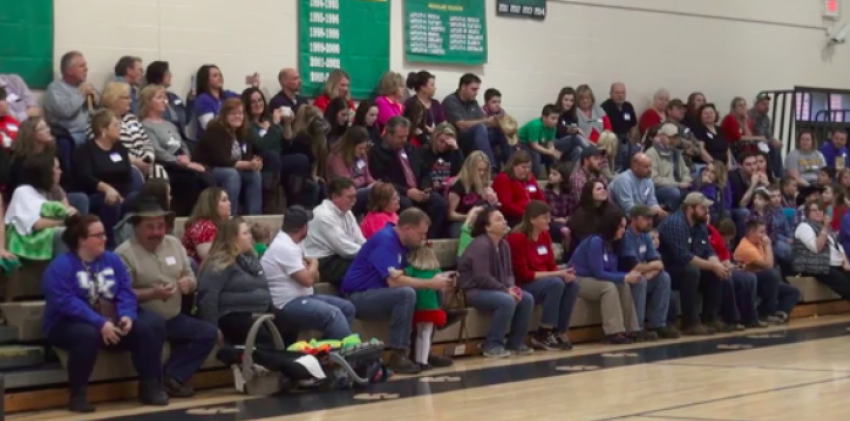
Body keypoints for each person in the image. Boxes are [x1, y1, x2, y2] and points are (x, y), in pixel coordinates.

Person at [43, 214, 168, 412]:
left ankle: (150, 386)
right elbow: (67, 303)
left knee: (151, 324)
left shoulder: (112, 260)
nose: (105, 239)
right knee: (86, 334)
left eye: (104, 234)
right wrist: (100, 323)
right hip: (67, 324)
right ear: (82, 240)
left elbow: (125, 291)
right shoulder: (60, 267)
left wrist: (127, 315)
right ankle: (78, 394)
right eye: (98, 235)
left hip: (110, 319)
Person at [115, 199, 218, 398]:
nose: (157, 232)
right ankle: (152, 386)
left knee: (208, 333)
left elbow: (190, 275)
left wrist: (189, 283)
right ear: (136, 227)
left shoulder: (174, 244)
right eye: (150, 227)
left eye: (161, 226)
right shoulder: (123, 254)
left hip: (172, 317)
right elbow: (121, 295)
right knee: (150, 329)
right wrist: (152, 293)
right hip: (142, 319)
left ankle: (172, 378)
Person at [340, 208, 454, 373]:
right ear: (407, 229)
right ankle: (398, 355)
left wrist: (439, 280)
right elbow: (394, 282)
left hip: (381, 294)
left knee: (434, 290)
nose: (423, 238)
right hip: (359, 297)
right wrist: (430, 282)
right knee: (406, 293)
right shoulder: (385, 241)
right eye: (420, 234)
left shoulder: (405, 242)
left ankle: (422, 353)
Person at [262, 206, 355, 341]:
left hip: (303, 297)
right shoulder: (284, 246)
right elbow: (308, 280)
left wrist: (311, 269)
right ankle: (344, 357)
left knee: (347, 308)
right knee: (333, 314)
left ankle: (324, 353)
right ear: (303, 227)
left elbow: (315, 277)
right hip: (286, 305)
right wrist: (315, 264)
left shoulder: (296, 243)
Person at [458, 207, 534, 357]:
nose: (504, 222)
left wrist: (512, 287)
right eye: (498, 220)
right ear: (487, 227)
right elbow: (482, 278)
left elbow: (509, 272)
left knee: (527, 298)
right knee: (506, 301)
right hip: (473, 291)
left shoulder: (504, 245)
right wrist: (506, 290)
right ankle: (492, 345)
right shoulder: (480, 245)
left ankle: (515, 342)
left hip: (495, 289)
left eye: (504, 218)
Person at [505, 201, 579, 350]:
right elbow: (523, 274)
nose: (549, 220)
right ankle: (543, 333)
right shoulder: (517, 238)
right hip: (523, 284)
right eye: (545, 217)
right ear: (532, 219)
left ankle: (559, 331)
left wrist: (564, 274)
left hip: (543, 281)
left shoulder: (544, 235)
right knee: (556, 283)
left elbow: (550, 264)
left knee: (572, 283)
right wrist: (557, 273)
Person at [656, 192, 728, 335]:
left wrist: (716, 264)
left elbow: (707, 249)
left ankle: (711, 318)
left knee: (714, 272)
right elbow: (684, 257)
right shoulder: (675, 224)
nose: (706, 212)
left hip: (686, 265)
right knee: (691, 271)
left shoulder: (699, 224)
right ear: (690, 209)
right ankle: (690, 323)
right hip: (668, 267)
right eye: (703, 208)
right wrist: (713, 265)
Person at [569, 207, 640, 344]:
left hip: (594, 279)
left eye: (625, 227)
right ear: (611, 226)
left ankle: (631, 329)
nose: (623, 231)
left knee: (623, 284)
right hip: (578, 279)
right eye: (621, 227)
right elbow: (599, 273)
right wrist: (625, 276)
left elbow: (611, 272)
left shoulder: (612, 244)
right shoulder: (595, 242)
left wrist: (628, 275)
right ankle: (613, 332)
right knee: (609, 287)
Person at [139, 85, 212, 216]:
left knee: (205, 172)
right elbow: (157, 150)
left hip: (182, 160)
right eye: (159, 98)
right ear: (148, 102)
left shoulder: (170, 124)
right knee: (191, 179)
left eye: (165, 98)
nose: (164, 101)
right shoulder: (146, 125)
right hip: (167, 164)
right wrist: (181, 162)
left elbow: (182, 143)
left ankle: (209, 213)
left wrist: (187, 159)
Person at [197, 217, 271, 345]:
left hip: (259, 309)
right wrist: (212, 329)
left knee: (289, 324)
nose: (250, 236)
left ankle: (284, 362)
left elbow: (263, 287)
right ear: (232, 238)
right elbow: (208, 297)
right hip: (232, 314)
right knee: (263, 337)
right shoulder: (220, 262)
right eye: (245, 233)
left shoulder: (251, 259)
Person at [369, 116, 446, 238]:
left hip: (418, 190)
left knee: (439, 202)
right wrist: (407, 191)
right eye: (400, 137)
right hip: (398, 192)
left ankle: (428, 238)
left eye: (406, 136)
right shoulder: (377, 153)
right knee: (405, 204)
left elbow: (425, 170)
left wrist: (424, 188)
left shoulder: (409, 148)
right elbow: (382, 181)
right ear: (388, 134)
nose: (404, 140)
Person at [73, 110, 139, 248]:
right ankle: (110, 244)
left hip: (121, 196)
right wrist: (107, 189)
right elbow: (86, 177)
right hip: (95, 195)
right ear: (102, 129)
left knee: (142, 196)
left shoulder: (120, 148)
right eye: (115, 125)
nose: (119, 128)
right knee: (111, 202)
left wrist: (122, 195)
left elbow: (128, 175)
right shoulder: (85, 150)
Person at [619, 205, 681, 339]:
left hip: (642, 275)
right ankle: (636, 328)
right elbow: (633, 266)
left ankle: (658, 324)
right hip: (625, 278)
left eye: (651, 218)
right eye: (646, 218)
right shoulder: (626, 236)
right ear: (634, 219)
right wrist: (649, 269)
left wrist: (650, 273)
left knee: (663, 277)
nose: (650, 221)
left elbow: (659, 263)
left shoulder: (645, 236)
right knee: (640, 280)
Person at [194, 98, 262, 216]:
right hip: (208, 169)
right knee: (231, 174)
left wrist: (254, 163)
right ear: (224, 115)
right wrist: (249, 164)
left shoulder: (242, 131)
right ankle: (229, 217)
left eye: (240, 113)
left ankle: (254, 216)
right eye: (233, 113)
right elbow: (223, 160)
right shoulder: (216, 130)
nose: (237, 116)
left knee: (254, 174)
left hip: (228, 167)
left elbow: (246, 156)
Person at [9, 116, 89, 214]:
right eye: (42, 128)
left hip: (55, 193)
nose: (48, 130)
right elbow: (20, 188)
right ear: (32, 134)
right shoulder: (21, 160)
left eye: (47, 126)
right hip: (33, 199)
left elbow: (66, 178)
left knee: (80, 198)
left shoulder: (52, 152)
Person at [92, 82, 167, 181]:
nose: (130, 101)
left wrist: (147, 160)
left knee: (158, 170)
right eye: (126, 98)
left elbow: (147, 143)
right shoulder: (101, 120)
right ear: (114, 99)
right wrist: (134, 161)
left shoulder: (131, 118)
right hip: (122, 165)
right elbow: (102, 149)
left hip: (144, 164)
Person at [5, 154, 70, 266]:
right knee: (63, 232)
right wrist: (63, 222)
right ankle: (63, 271)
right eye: (57, 168)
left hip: (45, 232)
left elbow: (67, 210)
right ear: (46, 173)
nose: (61, 172)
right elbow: (36, 224)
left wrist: (71, 214)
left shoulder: (53, 188)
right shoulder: (23, 191)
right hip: (26, 239)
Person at [394, 244, 453, 369]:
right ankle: (424, 361)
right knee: (426, 335)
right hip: (431, 308)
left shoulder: (412, 270)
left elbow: (401, 273)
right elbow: (444, 286)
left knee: (419, 334)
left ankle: (417, 360)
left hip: (417, 308)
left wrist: (394, 272)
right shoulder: (436, 272)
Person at [733, 220, 801, 324]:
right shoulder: (745, 247)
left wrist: (766, 246)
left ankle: (780, 312)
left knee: (793, 292)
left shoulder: (758, 243)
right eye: (761, 232)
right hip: (750, 282)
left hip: (763, 280)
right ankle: (765, 314)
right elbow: (768, 265)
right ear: (751, 232)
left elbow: (769, 264)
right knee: (771, 274)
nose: (764, 235)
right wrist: (768, 246)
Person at [302, 178, 366, 285]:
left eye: (355, 196)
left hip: (338, 257)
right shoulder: (324, 215)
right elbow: (344, 248)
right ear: (335, 197)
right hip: (321, 261)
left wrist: (371, 251)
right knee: (363, 267)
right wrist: (370, 253)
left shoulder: (347, 212)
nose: (354, 200)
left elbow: (359, 239)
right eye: (350, 197)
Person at [443, 73, 510, 172]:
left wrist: (496, 122)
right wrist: (486, 121)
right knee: (480, 128)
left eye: (477, 90)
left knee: (501, 131)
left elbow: (482, 121)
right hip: (460, 138)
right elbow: (461, 125)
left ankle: (511, 167)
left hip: (477, 136)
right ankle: (491, 166)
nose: (476, 93)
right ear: (463, 87)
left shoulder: (473, 102)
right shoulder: (451, 101)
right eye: (473, 89)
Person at [793, 201, 850, 301]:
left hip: (835, 264)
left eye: (820, 210)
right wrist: (824, 228)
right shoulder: (803, 227)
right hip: (817, 265)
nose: (818, 212)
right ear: (807, 213)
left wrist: (846, 262)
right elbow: (816, 248)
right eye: (814, 210)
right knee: (846, 284)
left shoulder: (826, 227)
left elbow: (839, 246)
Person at [44, 51, 99, 145]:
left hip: (90, 132)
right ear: (69, 71)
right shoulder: (55, 88)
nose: (86, 69)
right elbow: (66, 111)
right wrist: (82, 94)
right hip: (70, 134)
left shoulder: (84, 85)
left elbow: (100, 105)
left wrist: (94, 96)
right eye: (82, 66)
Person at [326, 126, 375, 215]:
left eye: (365, 148)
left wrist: (374, 184)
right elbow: (346, 183)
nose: (363, 152)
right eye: (360, 148)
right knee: (370, 193)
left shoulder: (362, 155)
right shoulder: (337, 157)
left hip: (363, 188)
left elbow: (367, 176)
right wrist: (365, 183)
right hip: (344, 192)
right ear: (350, 145)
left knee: (382, 190)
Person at [645, 123, 692, 212]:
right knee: (674, 193)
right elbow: (654, 179)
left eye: (675, 138)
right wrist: (677, 184)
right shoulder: (651, 153)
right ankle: (673, 219)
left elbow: (685, 171)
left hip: (678, 186)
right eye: (670, 138)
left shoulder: (676, 153)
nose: (673, 141)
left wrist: (686, 180)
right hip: (658, 189)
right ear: (661, 136)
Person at [447, 151, 495, 238]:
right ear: (470, 168)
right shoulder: (458, 185)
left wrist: (492, 200)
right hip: (461, 222)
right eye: (479, 170)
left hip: (480, 223)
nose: (482, 173)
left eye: (484, 170)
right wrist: (469, 217)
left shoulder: (485, 185)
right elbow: (450, 214)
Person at [492, 150, 543, 226]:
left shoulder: (530, 177)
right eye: (523, 167)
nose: (527, 170)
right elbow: (506, 205)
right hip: (513, 218)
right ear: (513, 166)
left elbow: (540, 198)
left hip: (532, 217)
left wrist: (542, 212)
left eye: (529, 167)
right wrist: (525, 214)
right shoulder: (503, 178)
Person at [181, 187, 230, 265]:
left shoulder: (222, 225)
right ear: (212, 205)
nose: (229, 203)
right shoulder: (203, 227)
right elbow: (210, 260)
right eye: (224, 200)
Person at [145, 61, 193, 140]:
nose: (170, 75)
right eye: (167, 72)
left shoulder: (173, 97)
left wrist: (190, 101)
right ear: (158, 75)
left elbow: (186, 120)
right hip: (163, 139)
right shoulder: (148, 96)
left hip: (181, 138)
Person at [192, 64, 242, 138]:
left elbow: (246, 99)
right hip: (212, 141)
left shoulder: (227, 95)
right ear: (206, 79)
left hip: (230, 138)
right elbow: (209, 127)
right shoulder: (202, 99)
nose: (219, 78)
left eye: (220, 75)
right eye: (215, 76)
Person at [609, 152, 666, 217]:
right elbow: (628, 209)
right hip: (622, 216)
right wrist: (648, 214)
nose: (650, 170)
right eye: (646, 167)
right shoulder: (624, 180)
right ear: (635, 167)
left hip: (640, 213)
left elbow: (652, 202)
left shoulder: (648, 179)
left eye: (650, 166)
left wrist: (659, 211)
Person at [416, 122, 464, 194]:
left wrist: (457, 150)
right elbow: (421, 176)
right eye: (441, 141)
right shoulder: (424, 151)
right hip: (430, 190)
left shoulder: (454, 153)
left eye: (447, 142)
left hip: (449, 190)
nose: (444, 145)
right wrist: (432, 183)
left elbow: (461, 173)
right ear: (435, 138)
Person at [518, 104, 561, 177]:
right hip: (521, 143)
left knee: (552, 157)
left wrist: (553, 151)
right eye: (553, 118)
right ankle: (533, 179)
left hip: (536, 144)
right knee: (536, 156)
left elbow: (550, 143)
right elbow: (534, 146)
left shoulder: (553, 127)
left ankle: (551, 178)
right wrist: (550, 152)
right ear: (544, 118)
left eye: (557, 118)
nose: (556, 121)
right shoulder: (535, 125)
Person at [749, 92, 783, 178]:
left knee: (776, 147)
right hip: (752, 143)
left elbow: (768, 135)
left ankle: (779, 177)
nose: (766, 106)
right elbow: (749, 135)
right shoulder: (749, 116)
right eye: (763, 104)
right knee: (770, 149)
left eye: (767, 104)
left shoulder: (766, 118)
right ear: (756, 104)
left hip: (764, 143)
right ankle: (772, 176)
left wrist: (775, 141)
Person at [567, 146, 607, 215]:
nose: (599, 161)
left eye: (600, 158)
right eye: (596, 158)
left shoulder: (599, 175)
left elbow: (607, 197)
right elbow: (584, 203)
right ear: (586, 161)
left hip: (599, 211)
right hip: (583, 215)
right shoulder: (577, 178)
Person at [553, 87, 590, 161]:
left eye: (571, 101)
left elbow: (573, 130)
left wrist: (574, 130)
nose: (568, 103)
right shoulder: (554, 111)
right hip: (554, 142)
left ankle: (575, 172)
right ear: (560, 99)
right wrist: (571, 130)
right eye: (566, 100)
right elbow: (557, 129)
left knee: (578, 150)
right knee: (576, 137)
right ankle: (592, 153)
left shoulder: (572, 115)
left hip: (568, 145)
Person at [690, 104, 732, 168]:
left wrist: (729, 162)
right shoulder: (698, 130)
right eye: (705, 113)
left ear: (715, 114)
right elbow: (701, 150)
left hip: (723, 166)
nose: (708, 115)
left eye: (711, 113)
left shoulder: (719, 129)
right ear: (700, 116)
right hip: (708, 166)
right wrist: (714, 164)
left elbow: (727, 148)